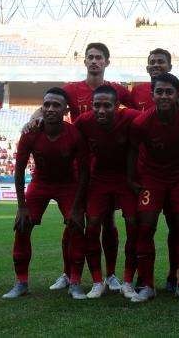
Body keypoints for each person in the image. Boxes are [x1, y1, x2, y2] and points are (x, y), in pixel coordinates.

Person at [43, 42, 130, 294]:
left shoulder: (115, 90)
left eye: (99, 57)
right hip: (79, 166)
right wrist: (35, 118)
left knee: (108, 222)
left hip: (108, 166)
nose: (94, 61)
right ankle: (68, 272)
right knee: (74, 220)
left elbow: (138, 106)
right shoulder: (71, 89)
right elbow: (49, 104)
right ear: (84, 61)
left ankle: (111, 275)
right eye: (90, 57)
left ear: (107, 62)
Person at [2, 88, 88, 300]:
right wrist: (21, 207)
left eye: (56, 105)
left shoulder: (74, 134)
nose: (50, 109)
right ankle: (21, 282)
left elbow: (85, 172)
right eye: (46, 105)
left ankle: (75, 282)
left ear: (65, 110)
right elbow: (19, 169)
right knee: (22, 227)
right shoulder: (30, 133)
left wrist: (77, 208)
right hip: (40, 183)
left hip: (68, 185)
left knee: (77, 227)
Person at [128, 72, 179, 303]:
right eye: (159, 91)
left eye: (169, 91)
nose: (164, 95)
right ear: (152, 94)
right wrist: (132, 179)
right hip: (152, 179)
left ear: (178, 95)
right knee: (145, 227)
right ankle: (148, 285)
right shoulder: (141, 122)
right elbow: (131, 151)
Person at [74, 85, 140, 299]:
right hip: (98, 179)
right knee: (92, 225)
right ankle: (97, 281)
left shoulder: (129, 116)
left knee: (133, 224)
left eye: (106, 106)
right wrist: (36, 121)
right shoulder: (84, 121)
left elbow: (153, 117)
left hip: (125, 180)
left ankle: (128, 281)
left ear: (117, 106)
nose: (101, 110)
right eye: (97, 105)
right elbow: (66, 133)